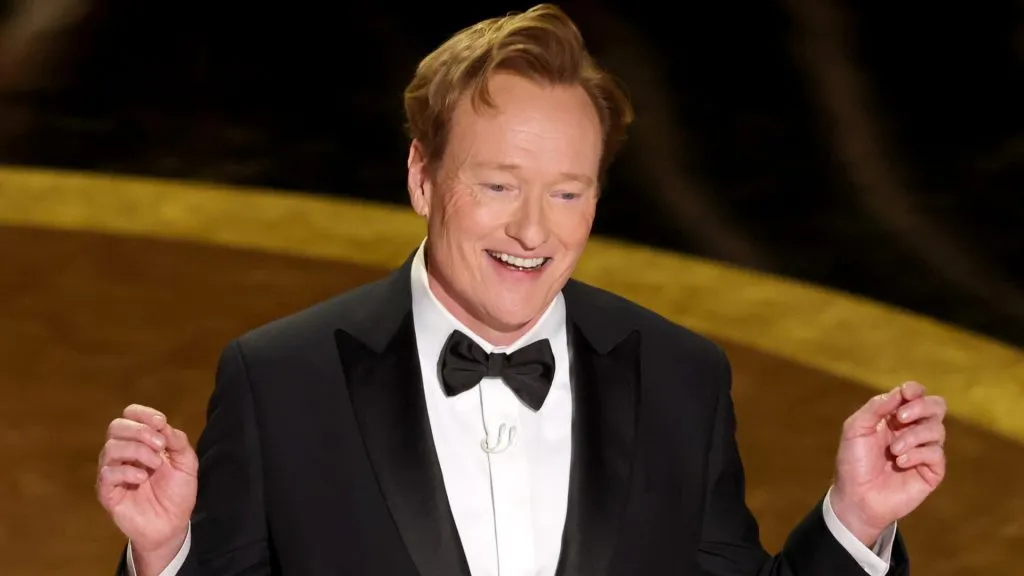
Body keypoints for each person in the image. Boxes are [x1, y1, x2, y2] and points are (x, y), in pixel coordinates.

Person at [95, 4, 948, 575]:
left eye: (567, 193)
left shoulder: (680, 378)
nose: (534, 232)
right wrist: (164, 555)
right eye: (499, 185)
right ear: (423, 178)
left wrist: (855, 520)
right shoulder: (282, 380)